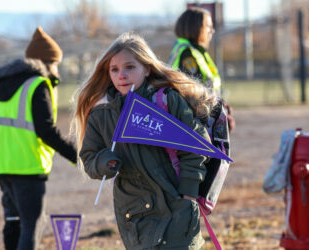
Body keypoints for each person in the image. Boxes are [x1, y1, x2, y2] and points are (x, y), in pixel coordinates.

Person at [74, 32, 217, 249]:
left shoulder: (166, 101)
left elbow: (196, 147)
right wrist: (105, 163)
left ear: (147, 68)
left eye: (130, 67)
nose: (122, 75)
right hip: (134, 214)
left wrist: (188, 194)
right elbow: (89, 157)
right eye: (115, 69)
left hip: (176, 204)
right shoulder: (101, 115)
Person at [0, 26, 77, 250]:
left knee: (13, 223)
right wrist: (76, 154)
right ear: (47, 62)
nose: (57, 70)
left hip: (1, 165)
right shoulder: (37, 85)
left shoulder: (3, 86)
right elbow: (46, 131)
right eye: (55, 64)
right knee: (32, 225)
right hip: (26, 167)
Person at [169, 7, 235, 132]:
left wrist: (222, 106)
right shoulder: (187, 54)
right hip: (197, 126)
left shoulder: (195, 52)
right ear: (196, 28)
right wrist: (218, 113)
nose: (212, 30)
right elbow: (195, 96)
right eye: (208, 26)